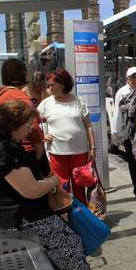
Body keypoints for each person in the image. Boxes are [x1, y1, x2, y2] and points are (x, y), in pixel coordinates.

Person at [0, 100, 118, 270]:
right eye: (27, 125)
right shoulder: (4, 151)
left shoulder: (1, 144)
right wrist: (53, 181)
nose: (29, 130)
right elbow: (31, 190)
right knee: (69, 245)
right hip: (24, 217)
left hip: (21, 214)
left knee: (71, 241)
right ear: (13, 124)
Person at [37, 69, 96, 205]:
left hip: (79, 151)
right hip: (57, 152)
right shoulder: (46, 103)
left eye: (52, 84)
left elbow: (88, 126)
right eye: (48, 85)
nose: (49, 88)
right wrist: (43, 135)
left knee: (79, 185)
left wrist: (93, 148)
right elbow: (34, 123)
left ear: (62, 84)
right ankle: (65, 213)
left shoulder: (78, 101)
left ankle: (82, 214)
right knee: (62, 185)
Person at [0, 58, 48, 176]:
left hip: (2, 148)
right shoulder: (18, 96)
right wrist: (39, 148)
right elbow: (32, 125)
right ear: (22, 73)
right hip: (25, 150)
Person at [113, 67, 136, 201]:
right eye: (133, 77)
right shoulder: (122, 92)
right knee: (134, 164)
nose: (135, 79)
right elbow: (117, 113)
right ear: (127, 78)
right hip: (129, 133)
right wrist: (117, 133)